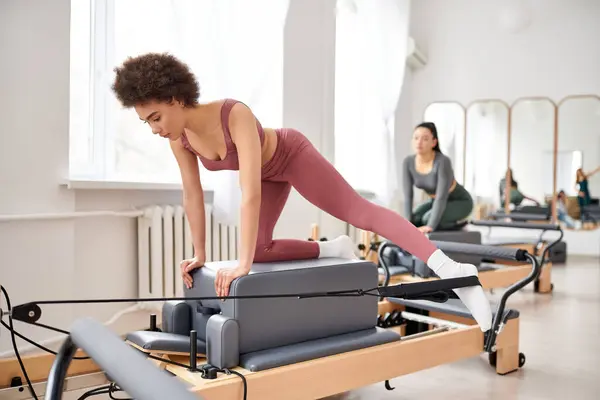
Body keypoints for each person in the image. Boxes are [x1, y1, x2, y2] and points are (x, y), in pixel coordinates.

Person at [110, 53, 492, 332]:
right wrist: (200, 254)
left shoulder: (232, 114)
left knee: (359, 211)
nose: (154, 129)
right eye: (146, 122)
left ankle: (454, 270)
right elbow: (192, 196)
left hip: (290, 155)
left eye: (156, 117)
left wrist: (241, 267)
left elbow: (249, 193)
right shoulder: (180, 140)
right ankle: (333, 248)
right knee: (260, 249)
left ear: (176, 98)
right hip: (266, 175)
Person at [402, 122, 473, 232]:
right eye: (416, 138)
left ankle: (458, 223)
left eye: (425, 139)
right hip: (434, 201)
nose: (419, 142)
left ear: (434, 142)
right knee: (414, 219)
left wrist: (430, 226)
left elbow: (441, 197)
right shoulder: (408, 162)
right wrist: (407, 225)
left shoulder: (443, 161)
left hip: (460, 201)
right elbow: (408, 197)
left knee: (427, 219)